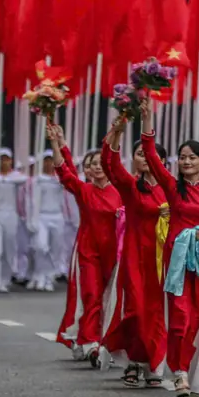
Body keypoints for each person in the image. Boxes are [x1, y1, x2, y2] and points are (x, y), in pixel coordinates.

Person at [139, 95, 199, 397]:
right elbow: (151, 155)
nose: (186, 161)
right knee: (180, 316)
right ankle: (179, 372)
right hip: (177, 259)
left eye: (192, 157)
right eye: (182, 157)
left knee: (198, 318)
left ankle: (192, 371)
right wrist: (147, 119)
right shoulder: (172, 187)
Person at [100, 114, 170, 387]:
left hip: (163, 260)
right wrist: (116, 133)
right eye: (139, 154)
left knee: (156, 313)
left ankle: (152, 365)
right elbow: (109, 164)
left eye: (148, 154)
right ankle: (133, 359)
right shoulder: (131, 186)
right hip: (134, 257)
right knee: (135, 311)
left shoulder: (171, 189)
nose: (144, 158)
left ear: (162, 161)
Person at [47, 125, 122, 364]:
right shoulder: (84, 190)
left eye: (101, 163)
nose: (97, 166)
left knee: (110, 299)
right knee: (91, 295)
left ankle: (107, 341)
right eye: (93, 164)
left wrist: (116, 132)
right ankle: (91, 343)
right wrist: (56, 143)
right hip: (89, 252)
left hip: (115, 254)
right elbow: (64, 171)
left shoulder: (121, 190)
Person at [27, 152, 71, 293]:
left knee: (55, 249)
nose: (48, 164)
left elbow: (71, 180)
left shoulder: (60, 180)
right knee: (41, 247)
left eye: (51, 161)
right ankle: (40, 275)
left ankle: (49, 277)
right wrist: (31, 219)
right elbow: (31, 201)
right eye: (46, 161)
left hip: (57, 216)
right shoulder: (37, 180)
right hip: (42, 217)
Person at [0, 148, 26, 293]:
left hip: (11, 215)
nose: (4, 162)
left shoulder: (15, 176)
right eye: (1, 159)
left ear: (11, 161)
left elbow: (23, 179)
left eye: (6, 159)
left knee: (9, 249)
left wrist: (4, 179)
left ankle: (5, 279)